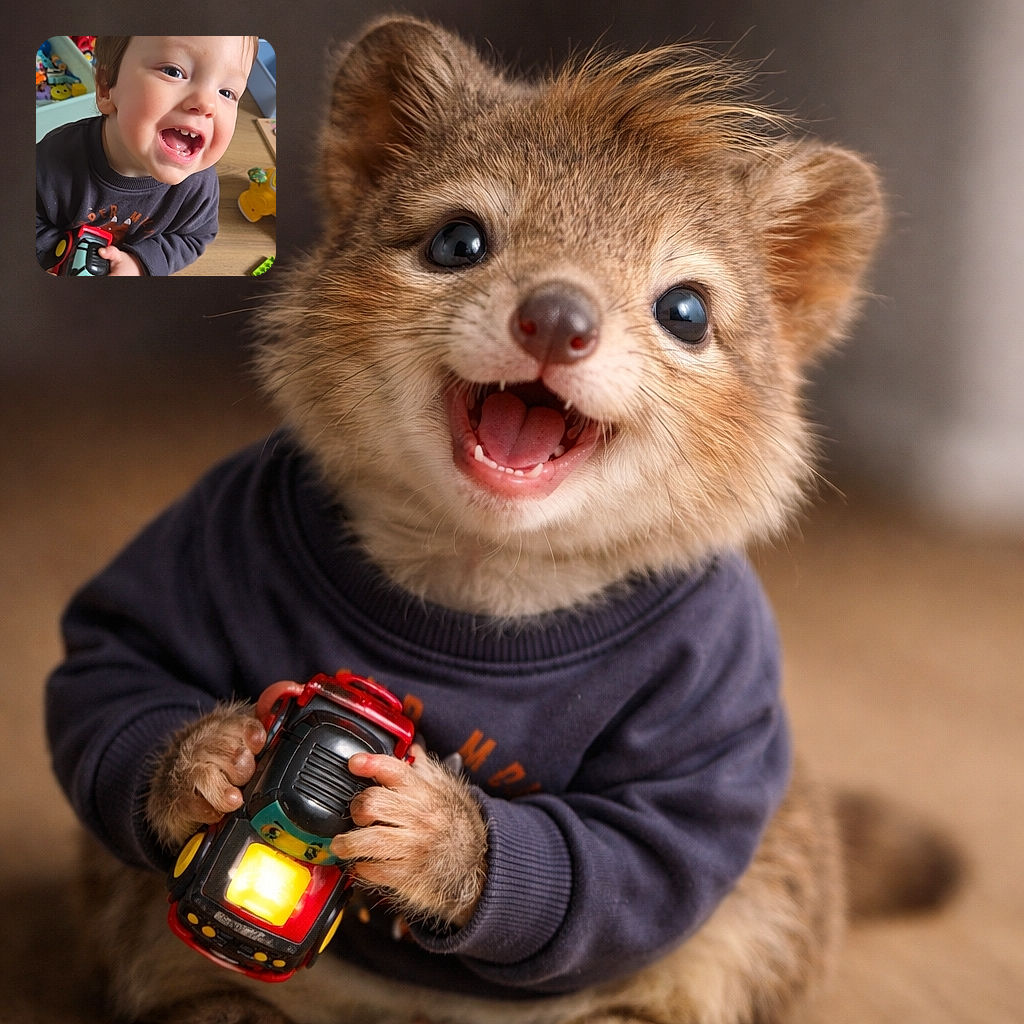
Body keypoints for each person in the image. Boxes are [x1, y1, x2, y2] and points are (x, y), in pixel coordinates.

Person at [36, 36, 257, 275]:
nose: (206, 104)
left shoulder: (198, 186)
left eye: (227, 92)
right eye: (174, 71)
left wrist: (140, 264)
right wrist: (58, 257)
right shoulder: (53, 159)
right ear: (105, 87)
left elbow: (193, 238)